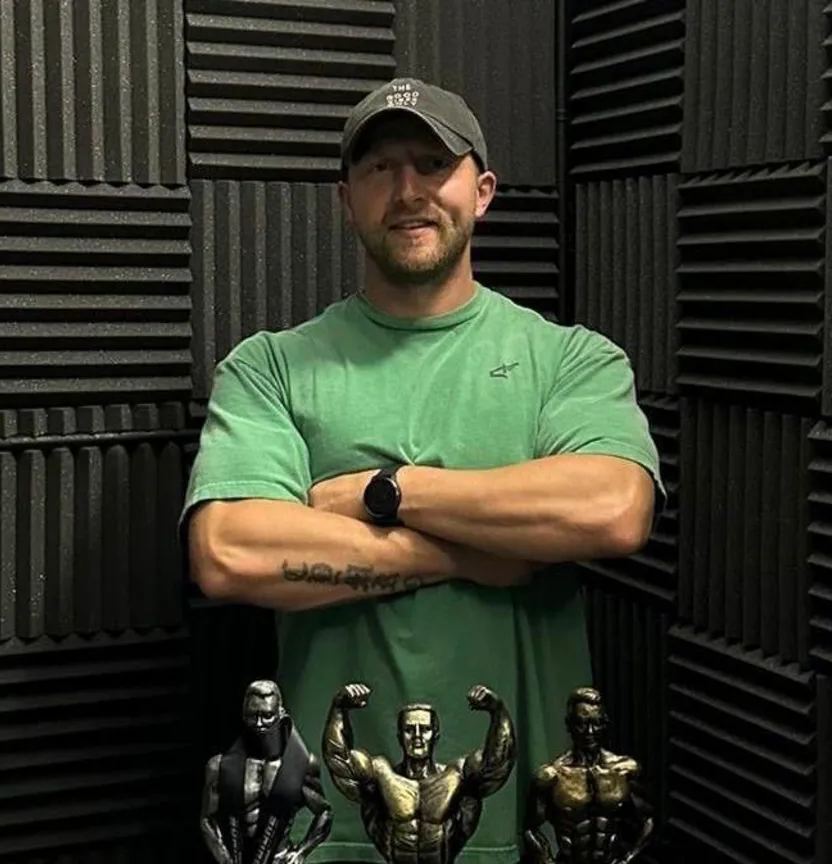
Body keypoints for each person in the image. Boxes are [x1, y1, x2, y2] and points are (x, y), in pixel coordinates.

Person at [182, 76, 664, 863]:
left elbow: (613, 509)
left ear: (482, 191)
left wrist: (387, 494)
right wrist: (472, 551)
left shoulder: (569, 360)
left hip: (529, 822)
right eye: (380, 169)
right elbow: (230, 552)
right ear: (347, 200)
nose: (407, 191)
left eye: (431, 164)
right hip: (331, 831)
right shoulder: (270, 367)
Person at [321, 682, 516, 863]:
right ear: (399, 736)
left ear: (435, 735)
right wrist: (339, 710)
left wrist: (498, 712)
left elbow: (498, 764)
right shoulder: (381, 775)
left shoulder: (457, 776)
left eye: (424, 729)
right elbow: (339, 761)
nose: (417, 736)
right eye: (409, 729)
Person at [200, 680, 334, 864]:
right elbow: (207, 819)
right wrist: (224, 859)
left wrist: (301, 852)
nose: (259, 723)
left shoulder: (302, 765)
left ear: (280, 714)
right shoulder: (219, 766)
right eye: (252, 715)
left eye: (267, 715)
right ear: (243, 714)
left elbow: (324, 812)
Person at [520, 687, 654, 864]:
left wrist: (628, 859)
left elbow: (648, 821)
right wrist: (547, 861)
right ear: (570, 724)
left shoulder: (624, 770)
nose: (589, 731)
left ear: (605, 724)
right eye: (581, 723)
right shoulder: (551, 776)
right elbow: (530, 829)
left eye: (596, 723)